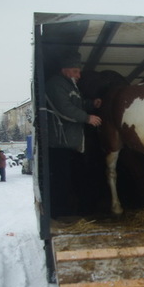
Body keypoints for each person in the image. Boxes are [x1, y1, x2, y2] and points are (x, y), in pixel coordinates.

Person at [45, 53, 103, 217]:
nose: (79, 75)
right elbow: (64, 108)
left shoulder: (69, 86)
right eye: (76, 71)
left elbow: (76, 104)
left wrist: (91, 104)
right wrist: (87, 117)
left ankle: (76, 210)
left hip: (71, 142)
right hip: (59, 143)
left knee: (75, 176)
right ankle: (60, 214)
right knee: (61, 179)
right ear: (65, 70)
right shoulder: (56, 85)